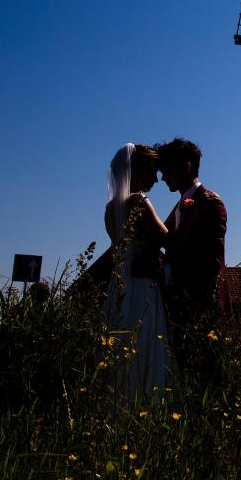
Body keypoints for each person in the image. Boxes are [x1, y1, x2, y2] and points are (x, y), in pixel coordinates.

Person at [101, 143, 171, 403]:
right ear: (137, 170)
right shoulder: (138, 201)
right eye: (152, 171)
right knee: (144, 343)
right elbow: (167, 240)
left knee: (122, 344)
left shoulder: (111, 209)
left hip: (120, 285)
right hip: (142, 285)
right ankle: (145, 402)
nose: (155, 178)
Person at [157, 137, 232, 355]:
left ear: (186, 165)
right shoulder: (180, 205)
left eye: (167, 170)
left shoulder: (210, 203)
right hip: (178, 307)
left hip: (200, 308)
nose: (163, 178)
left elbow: (212, 261)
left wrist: (195, 306)